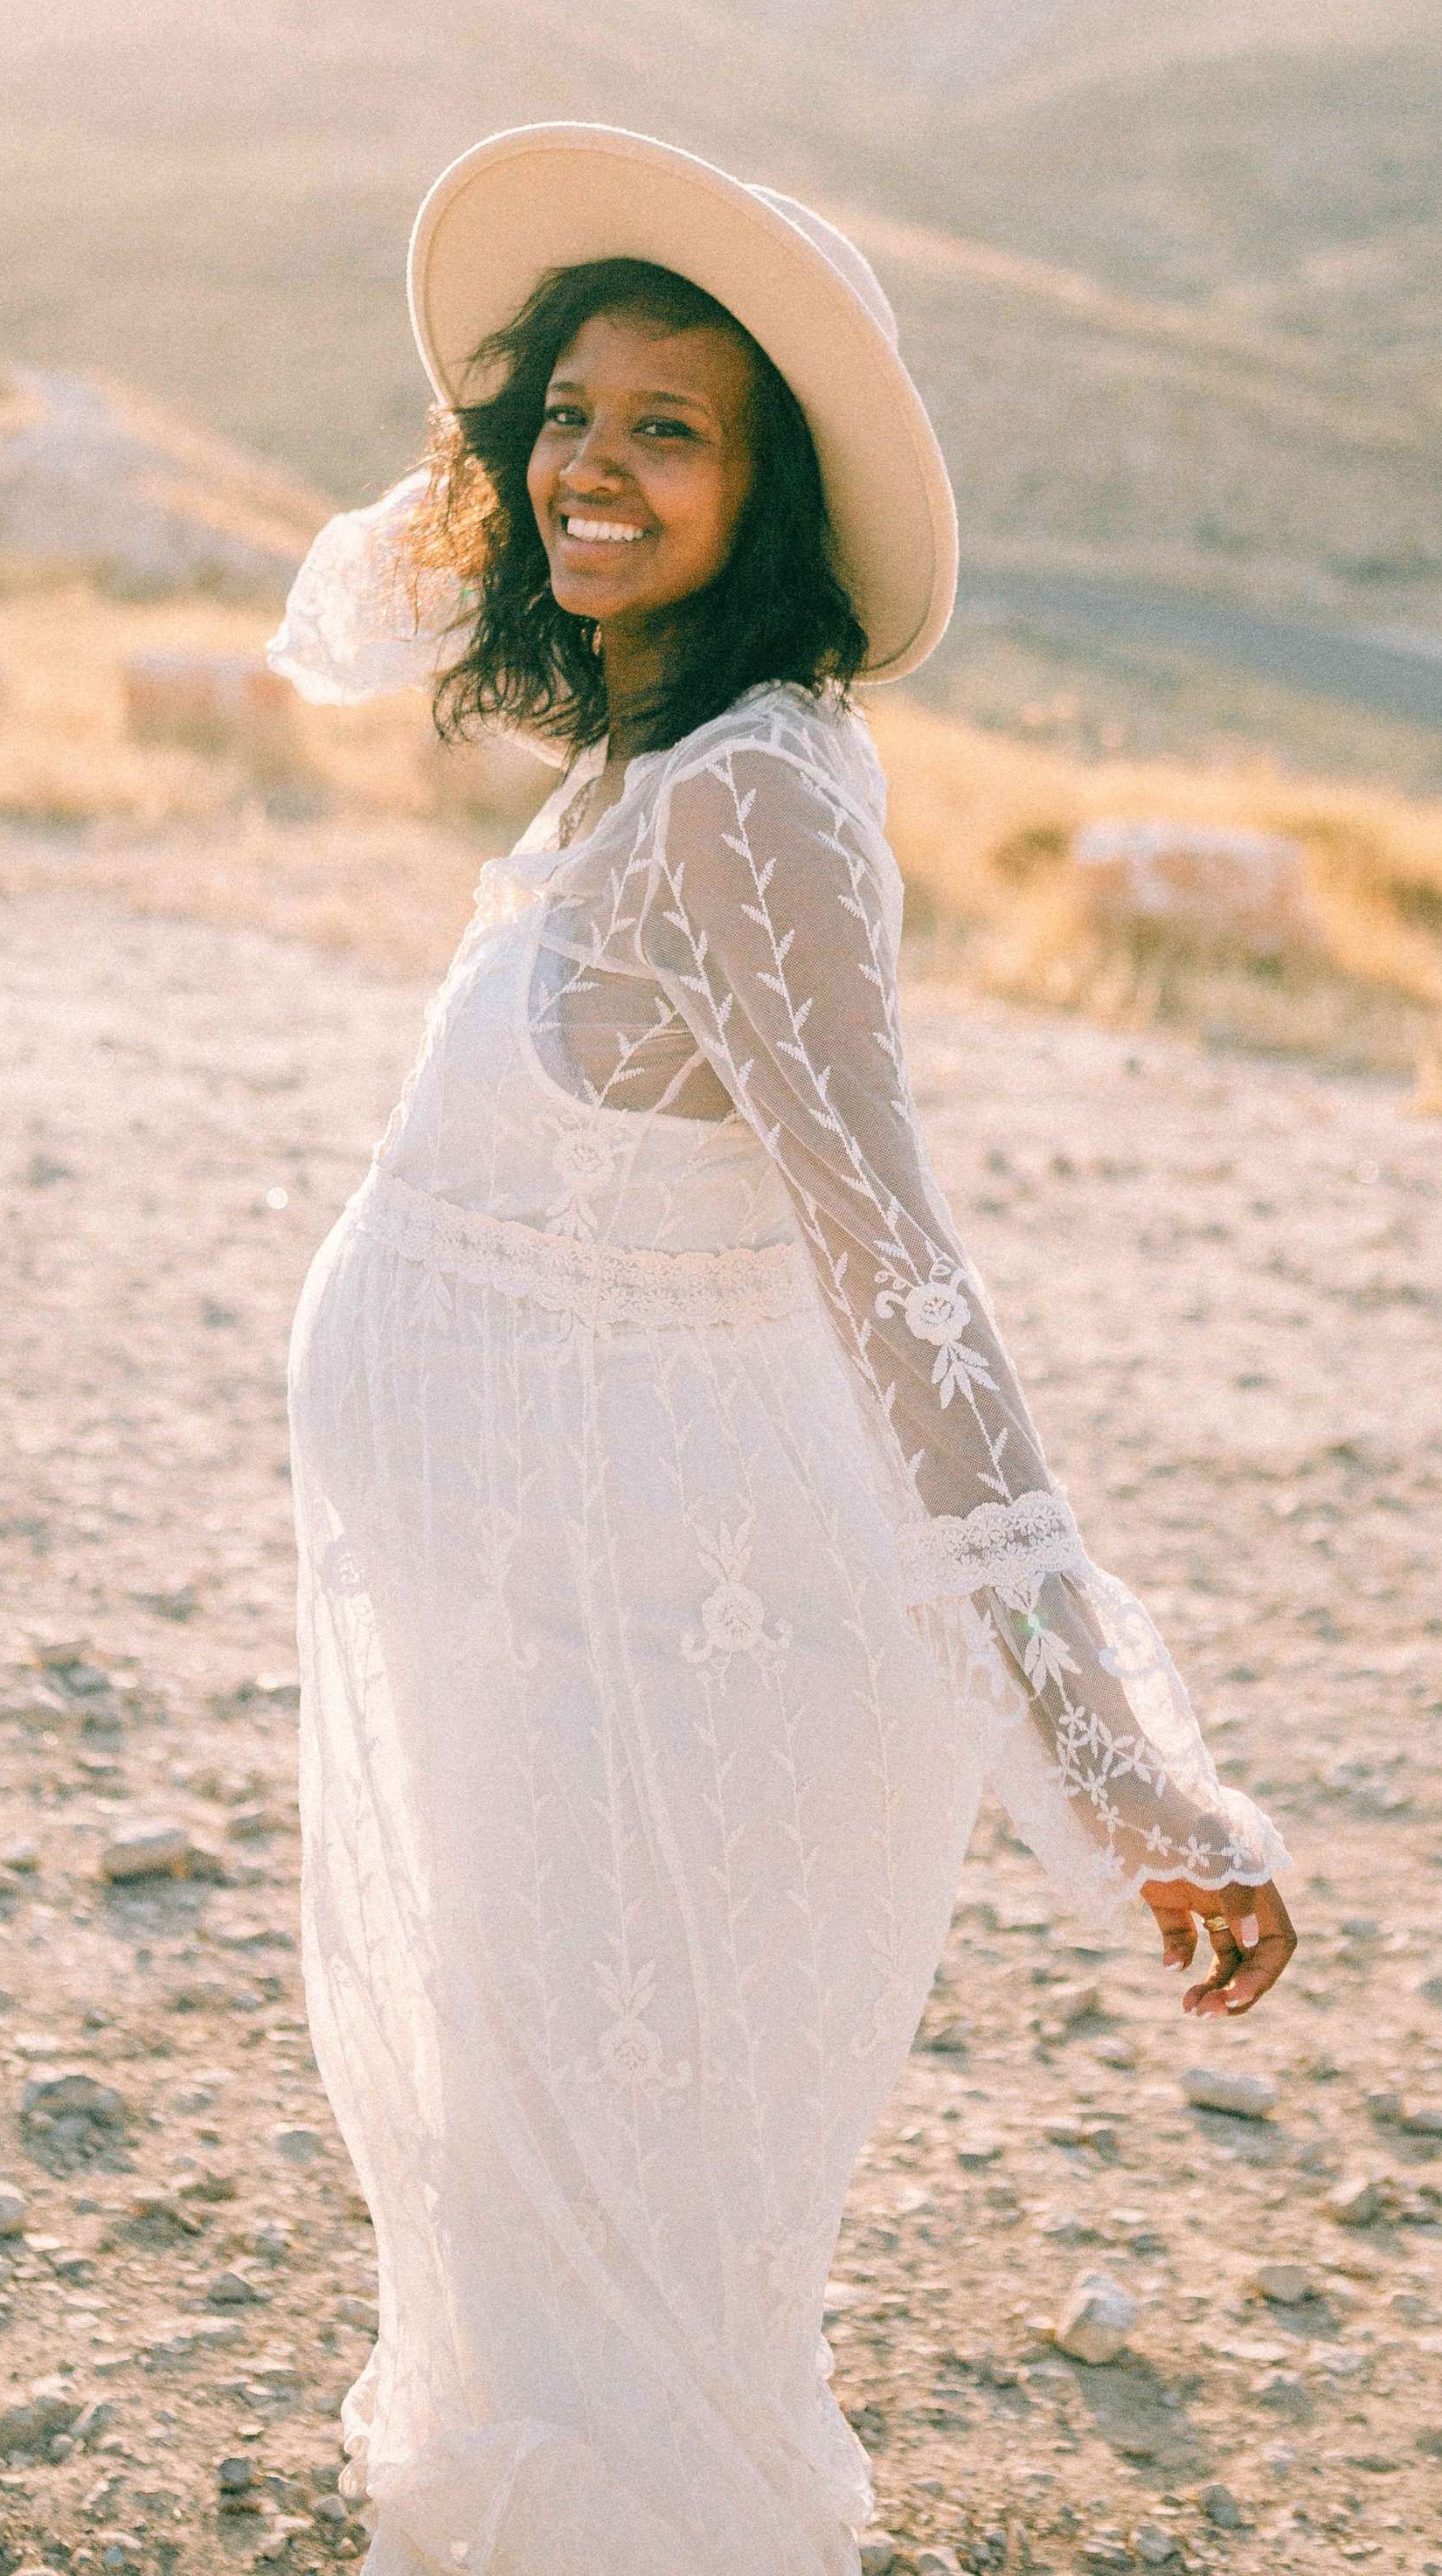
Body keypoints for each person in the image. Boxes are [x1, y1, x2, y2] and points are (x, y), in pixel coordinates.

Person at [270, 124, 1294, 2576]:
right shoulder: (639, 761)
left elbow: (897, 1264)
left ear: (777, 493)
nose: (593, 469)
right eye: (566, 415)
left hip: (673, 1657)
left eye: (672, 429)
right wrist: (512, 510)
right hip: (538, 1624)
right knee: (526, 2225)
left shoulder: (755, 801)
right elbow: (340, 630)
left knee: (626, 2287)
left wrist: (1111, 1746)